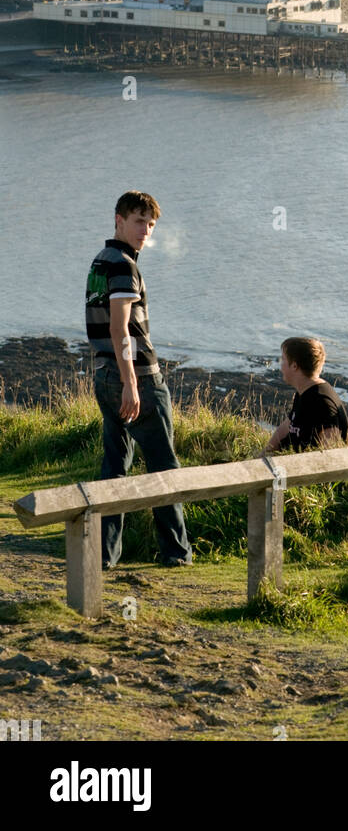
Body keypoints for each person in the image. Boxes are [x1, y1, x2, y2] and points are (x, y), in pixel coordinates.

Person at [85, 191, 192, 569]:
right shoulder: (124, 265)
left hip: (103, 374)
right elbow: (119, 329)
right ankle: (176, 553)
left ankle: (103, 555)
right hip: (138, 378)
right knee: (164, 467)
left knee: (115, 466)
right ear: (118, 219)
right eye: (138, 221)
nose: (145, 230)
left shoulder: (102, 260)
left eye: (151, 224)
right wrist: (131, 382)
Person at [264, 337, 348, 452]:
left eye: (283, 360)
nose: (281, 366)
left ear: (294, 366)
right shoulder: (305, 391)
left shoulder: (322, 402)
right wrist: (263, 455)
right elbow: (286, 427)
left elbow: (331, 452)